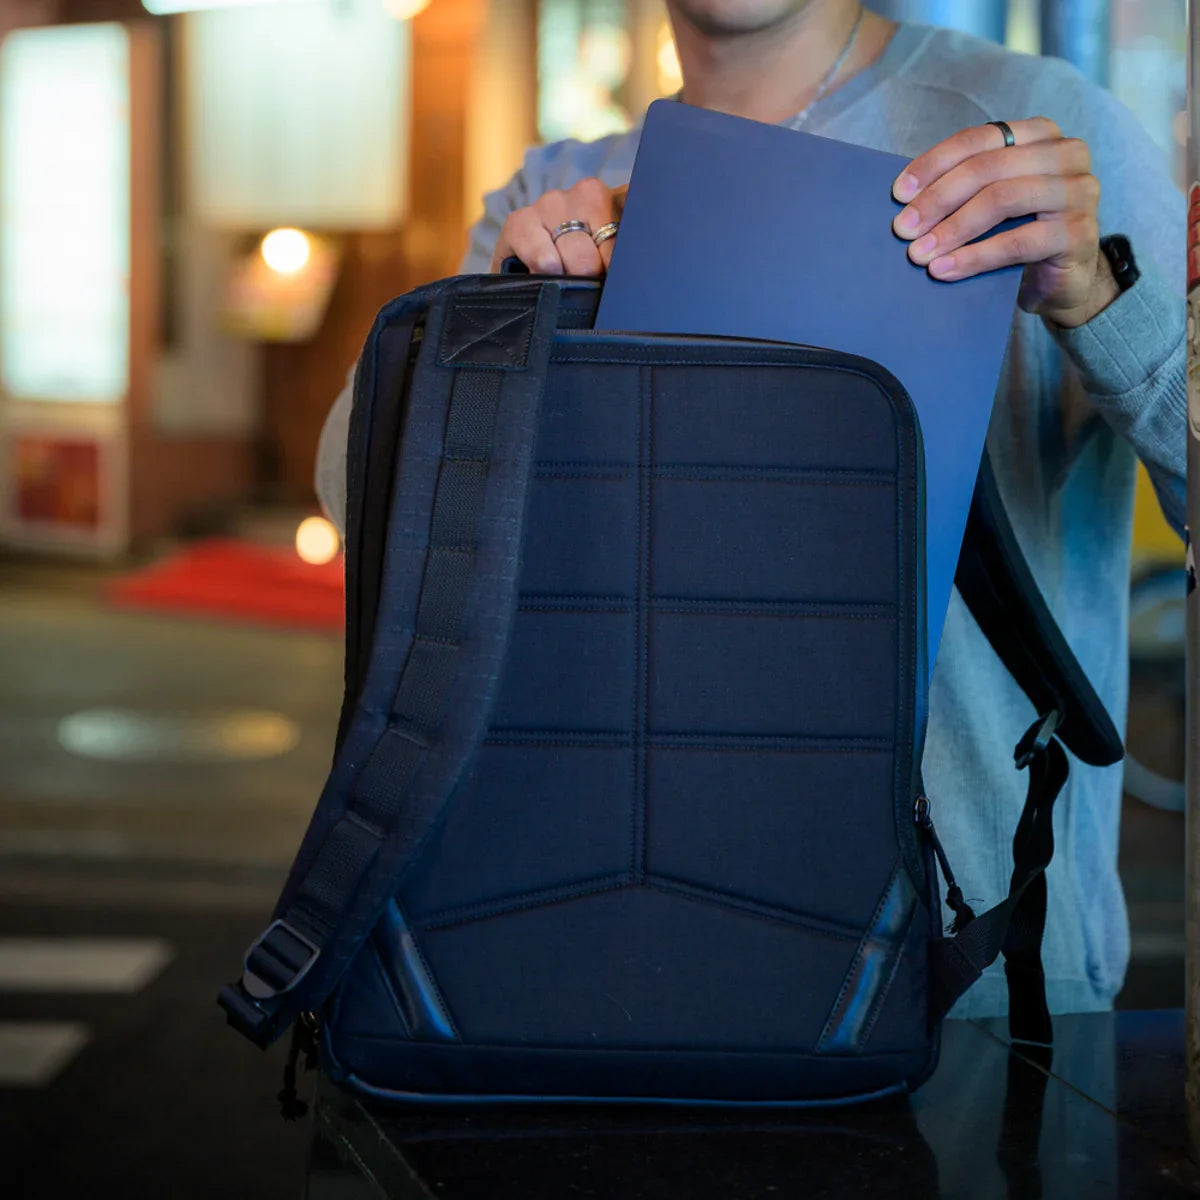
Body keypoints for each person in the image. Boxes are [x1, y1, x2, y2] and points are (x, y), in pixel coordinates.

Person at [316, 1, 1185, 1018]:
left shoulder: (1043, 133)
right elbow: (359, 499)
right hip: (616, 940)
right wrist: (508, 319)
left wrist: (1099, 302)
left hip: (977, 973)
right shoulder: (559, 189)